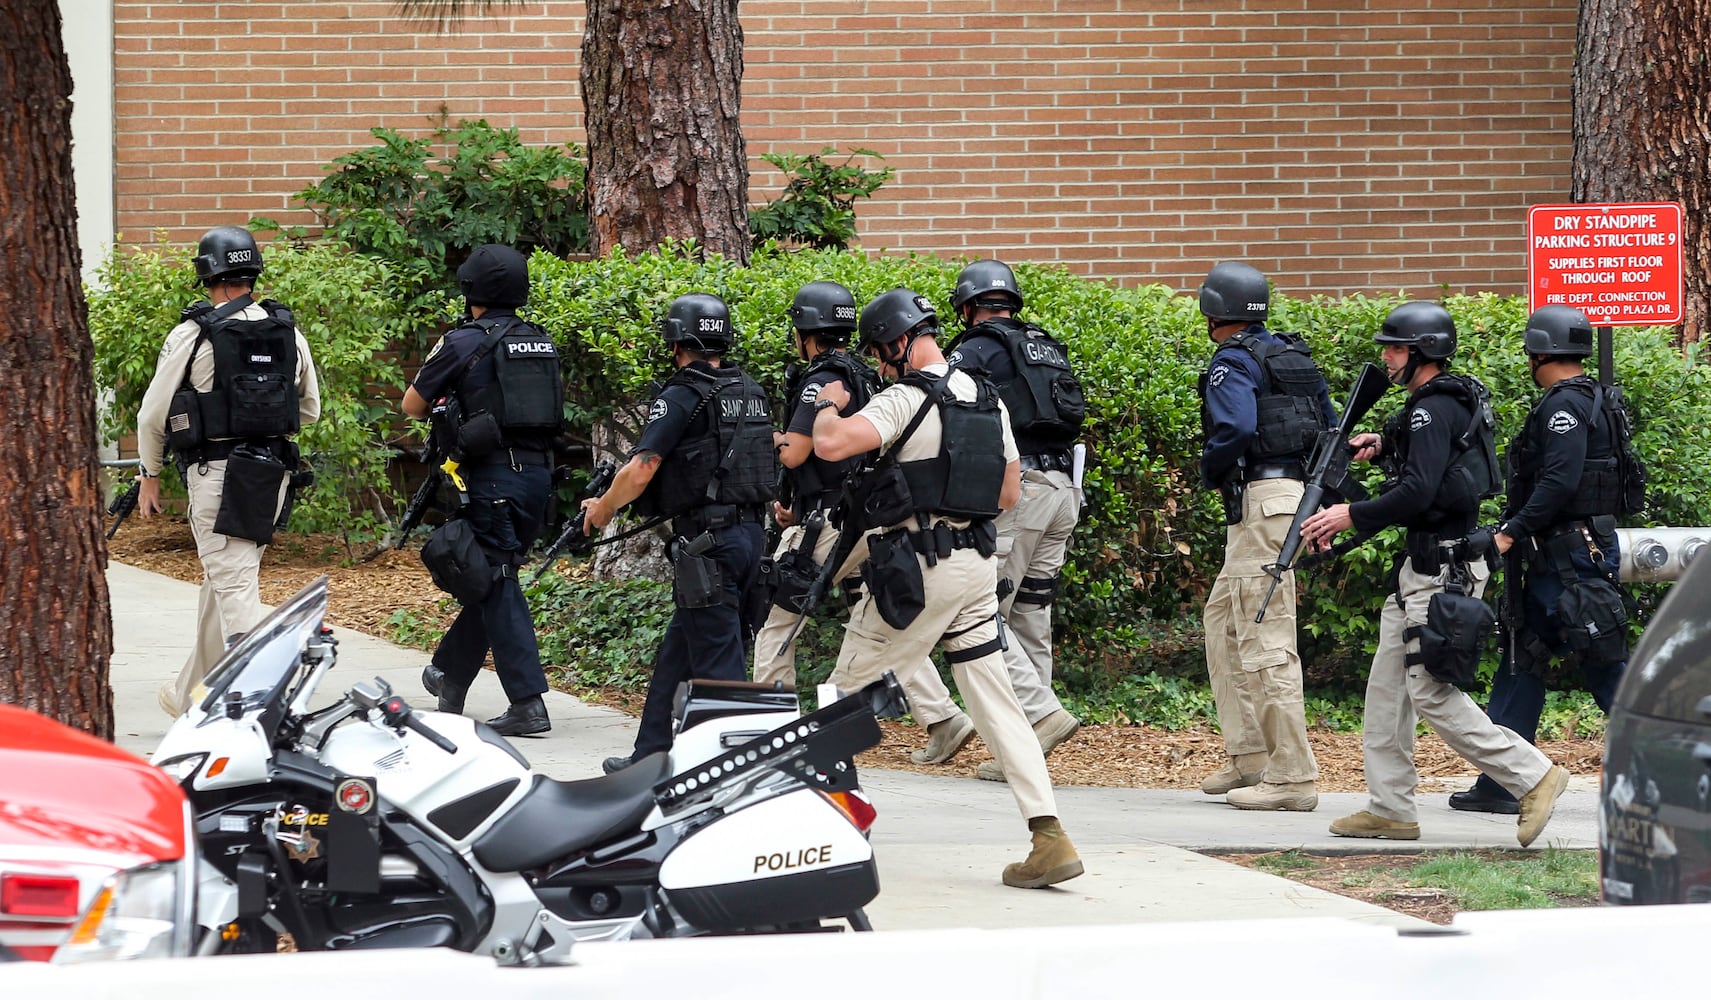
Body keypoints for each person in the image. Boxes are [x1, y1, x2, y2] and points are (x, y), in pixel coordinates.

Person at [812, 287, 1083, 889]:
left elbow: (830, 445)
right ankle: (1049, 836)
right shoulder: (987, 398)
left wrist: (827, 404)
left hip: (917, 571)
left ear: (896, 343)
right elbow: (1009, 495)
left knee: (840, 696)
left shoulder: (904, 398)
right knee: (997, 701)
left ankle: (825, 833)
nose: (880, 367)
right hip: (976, 570)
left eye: (880, 356)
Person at [1299, 301, 1569, 847]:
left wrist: (1352, 512)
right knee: (1386, 693)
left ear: (1422, 351)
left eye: (1395, 347)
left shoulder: (1430, 409)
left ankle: (1532, 775)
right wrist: (1381, 445)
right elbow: (1436, 469)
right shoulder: (1436, 404)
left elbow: (1419, 491)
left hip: (1440, 572)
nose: (1386, 356)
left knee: (1430, 691)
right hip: (1421, 568)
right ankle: (1391, 808)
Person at [750, 281, 969, 745]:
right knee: (875, 617)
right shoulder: (867, 374)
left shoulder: (821, 380)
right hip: (865, 517)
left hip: (826, 526)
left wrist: (758, 435)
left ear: (805, 330)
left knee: (778, 620)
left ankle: (770, 731)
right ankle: (943, 717)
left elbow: (797, 451)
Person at [583, 293, 775, 774]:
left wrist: (604, 507)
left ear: (678, 343)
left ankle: (741, 775)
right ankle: (649, 752)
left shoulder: (684, 394)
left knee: (721, 669)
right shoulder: (748, 388)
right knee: (681, 647)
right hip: (750, 538)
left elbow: (642, 468)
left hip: (710, 545)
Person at [1451, 305, 1631, 814]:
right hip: (1565, 555)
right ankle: (1504, 780)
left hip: (1572, 558)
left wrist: (1511, 532)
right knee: (1521, 654)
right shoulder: (1595, 399)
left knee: (1604, 665)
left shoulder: (1562, 409)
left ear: (1540, 352)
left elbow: (1560, 481)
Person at [136, 226, 321, 716]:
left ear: (207, 275)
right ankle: (189, 696)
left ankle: (258, 708)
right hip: (271, 473)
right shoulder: (287, 330)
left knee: (235, 586)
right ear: (252, 272)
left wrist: (148, 474)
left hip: (217, 473)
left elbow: (151, 416)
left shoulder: (193, 333)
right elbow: (310, 411)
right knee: (225, 579)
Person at [1192, 262, 1334, 811]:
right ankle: (1251, 756)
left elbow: (1236, 428)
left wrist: (1211, 468)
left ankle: (1293, 776)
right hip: (1291, 500)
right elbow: (1329, 428)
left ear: (1213, 313)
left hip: (1263, 503)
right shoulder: (1292, 357)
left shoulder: (1233, 361)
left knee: (1264, 638)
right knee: (1223, 622)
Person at [942, 259, 1086, 782]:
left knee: (981, 615)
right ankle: (1028, 745)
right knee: (1031, 615)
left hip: (1018, 494)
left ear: (966, 307)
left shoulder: (973, 350)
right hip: (1063, 491)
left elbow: (953, 421)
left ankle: (1037, 720)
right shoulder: (1043, 344)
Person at [411, 245, 563, 737]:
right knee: (491, 580)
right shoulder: (541, 341)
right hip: (539, 479)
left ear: (470, 289)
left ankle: (527, 702)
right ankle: (449, 678)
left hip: (493, 478)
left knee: (495, 580)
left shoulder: (462, 341)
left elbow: (414, 404)